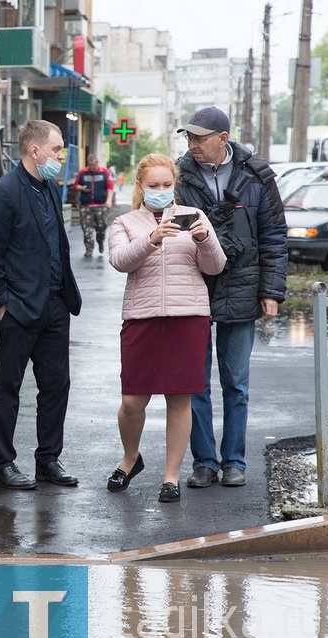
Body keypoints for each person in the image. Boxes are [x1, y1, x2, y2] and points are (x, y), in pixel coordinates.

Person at [174, 107, 288, 489]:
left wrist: (271, 291)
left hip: (242, 287)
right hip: (194, 289)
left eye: (199, 138)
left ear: (223, 139)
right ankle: (204, 461)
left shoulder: (257, 176)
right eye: (188, 138)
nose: (192, 145)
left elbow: (273, 235)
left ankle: (234, 461)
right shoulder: (180, 177)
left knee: (236, 383)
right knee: (194, 383)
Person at [106, 154, 226, 503]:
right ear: (140, 187)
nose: (160, 191)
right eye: (153, 186)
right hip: (141, 317)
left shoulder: (194, 216)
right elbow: (119, 261)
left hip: (188, 316)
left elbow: (216, 267)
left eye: (166, 185)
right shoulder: (125, 223)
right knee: (132, 400)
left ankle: (171, 476)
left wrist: (204, 239)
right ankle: (130, 459)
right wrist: (153, 238)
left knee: (179, 396)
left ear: (175, 184)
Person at [0, 119, 82, 490]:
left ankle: (48, 460)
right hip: (19, 310)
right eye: (56, 150)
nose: (60, 157)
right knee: (7, 386)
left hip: (55, 305)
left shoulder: (50, 188)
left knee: (56, 385)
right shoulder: (3, 192)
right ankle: (1, 465)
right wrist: (3, 304)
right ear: (34, 151)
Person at [73, 154, 114, 257]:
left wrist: (109, 201)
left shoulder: (104, 172)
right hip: (86, 206)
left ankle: (100, 241)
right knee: (87, 228)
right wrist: (82, 188)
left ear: (97, 163)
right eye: (90, 165)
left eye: (94, 164)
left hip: (100, 205)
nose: (92, 167)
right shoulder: (82, 173)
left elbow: (110, 187)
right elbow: (75, 186)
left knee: (101, 227)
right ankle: (89, 249)